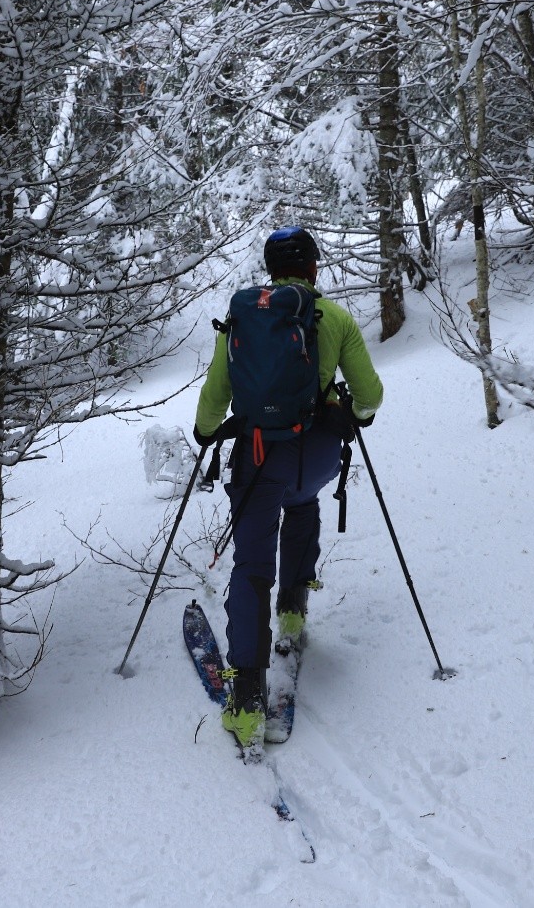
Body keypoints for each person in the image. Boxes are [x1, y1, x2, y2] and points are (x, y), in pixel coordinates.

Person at [193, 226, 384, 750]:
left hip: (259, 456)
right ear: (314, 268)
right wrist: (352, 413)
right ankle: (293, 613)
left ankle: (246, 703)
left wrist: (206, 432)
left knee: (253, 564)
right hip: (317, 454)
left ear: (271, 270)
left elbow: (216, 391)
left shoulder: (243, 317)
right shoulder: (335, 317)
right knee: (302, 504)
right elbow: (370, 395)